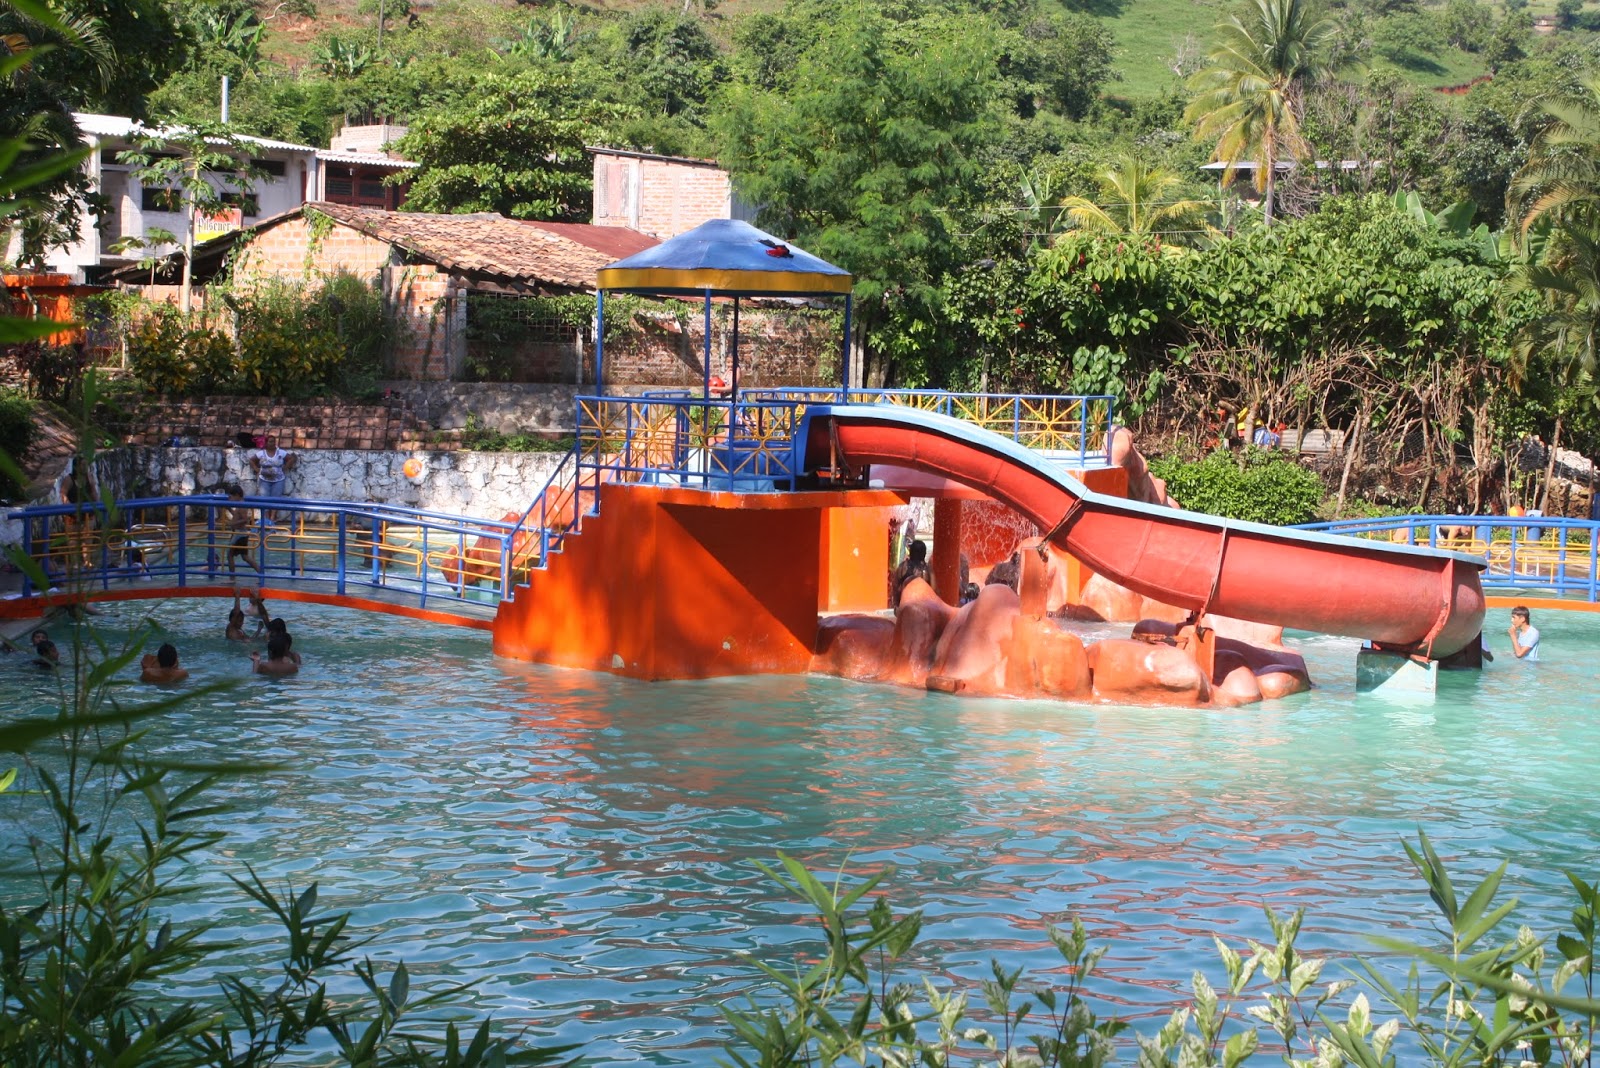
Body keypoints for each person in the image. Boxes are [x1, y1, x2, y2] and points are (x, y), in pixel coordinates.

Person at [247, 434, 297, 515]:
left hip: (278, 479)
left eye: (273, 442)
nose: (272, 443)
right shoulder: (261, 453)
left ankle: (272, 518)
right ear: (266, 443)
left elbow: (291, 458)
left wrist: (285, 468)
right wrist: (256, 469)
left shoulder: (280, 452)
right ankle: (266, 518)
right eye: (270, 442)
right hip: (264, 480)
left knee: (276, 499)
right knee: (264, 499)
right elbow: (251, 460)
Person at [224, 485, 261, 578]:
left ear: (236, 495)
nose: (230, 499)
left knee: (230, 555)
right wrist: (230, 510)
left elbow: (245, 519)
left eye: (231, 497)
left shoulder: (242, 506)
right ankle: (261, 573)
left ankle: (232, 578)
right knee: (245, 557)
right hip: (241, 533)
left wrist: (233, 523)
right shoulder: (240, 505)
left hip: (239, 533)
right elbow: (238, 516)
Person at [890, 539, 933, 608]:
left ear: (911, 552)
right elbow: (935, 590)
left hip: (905, 606)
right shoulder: (928, 570)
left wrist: (896, 605)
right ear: (924, 553)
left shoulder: (902, 567)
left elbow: (895, 586)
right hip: (923, 607)